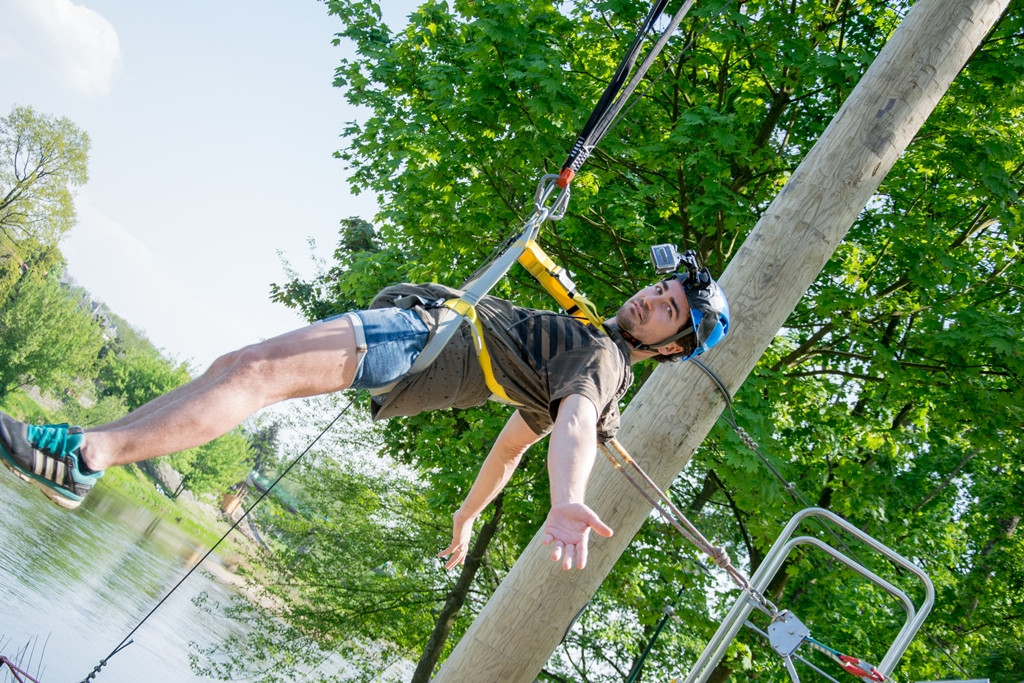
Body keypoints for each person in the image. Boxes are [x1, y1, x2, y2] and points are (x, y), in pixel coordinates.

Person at [1, 247, 729, 571]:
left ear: (669, 346)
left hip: (423, 338)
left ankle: (85, 458)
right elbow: (510, 449)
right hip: (422, 343)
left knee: (252, 371)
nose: (649, 298)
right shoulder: (588, 351)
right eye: (658, 290)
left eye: (666, 309)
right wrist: (466, 515)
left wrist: (569, 499)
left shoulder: (599, 369)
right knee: (238, 367)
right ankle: (85, 448)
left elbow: (573, 427)